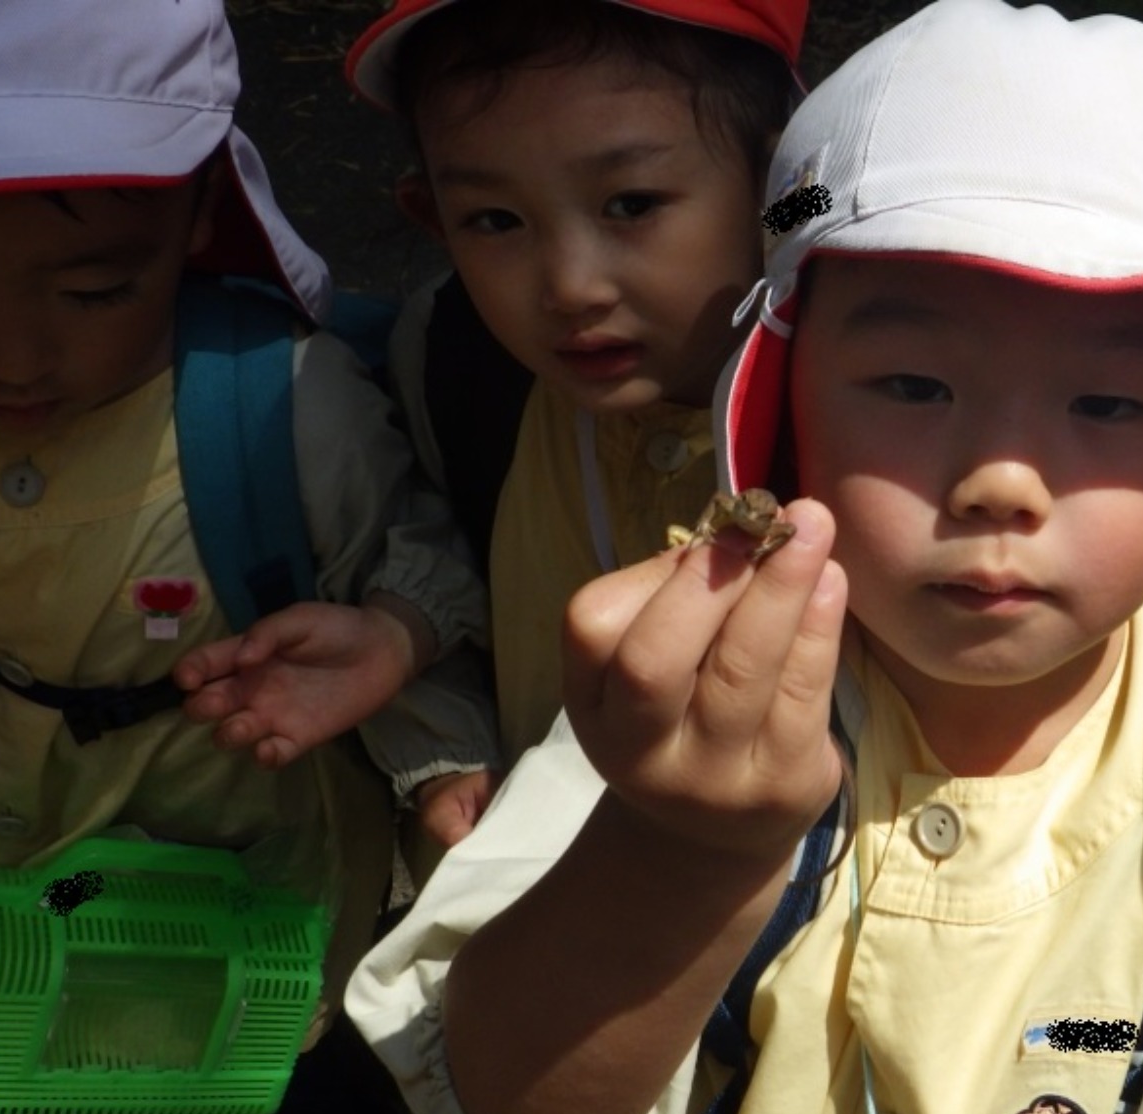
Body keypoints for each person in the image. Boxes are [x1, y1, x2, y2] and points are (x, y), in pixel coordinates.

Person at [347, 2, 1143, 1114]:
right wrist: (678, 853)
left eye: (1107, 402)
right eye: (913, 386)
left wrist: (1065, 1046)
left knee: (1081, 1033)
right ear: (779, 407)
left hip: (1098, 1029)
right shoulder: (683, 724)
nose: (1001, 480)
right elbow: (496, 1092)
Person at [0, 0, 495, 1114]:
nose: (10, 357)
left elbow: (427, 568)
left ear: (204, 205)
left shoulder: (281, 412)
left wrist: (424, 715)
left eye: (91, 288)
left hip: (227, 958)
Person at [342, 0, 806, 759]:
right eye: (495, 219)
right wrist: (444, 738)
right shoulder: (454, 363)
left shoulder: (880, 420)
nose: (570, 287)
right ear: (432, 218)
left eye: (632, 204)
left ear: (777, 186)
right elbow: (454, 554)